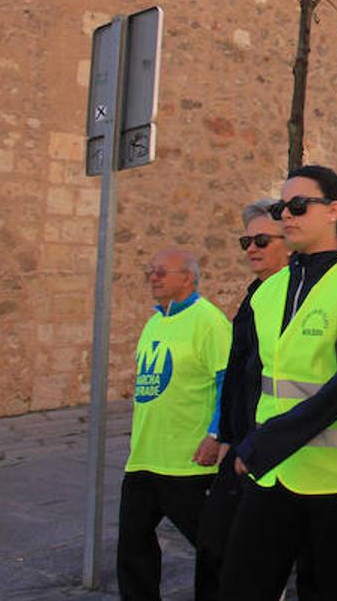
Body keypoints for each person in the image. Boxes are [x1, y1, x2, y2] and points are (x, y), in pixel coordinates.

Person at [221, 165, 337, 599]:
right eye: (283, 207)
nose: (287, 216)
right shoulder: (267, 290)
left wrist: (267, 442)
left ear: (333, 210)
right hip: (273, 476)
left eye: (299, 205)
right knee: (240, 586)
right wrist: (235, 438)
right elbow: (250, 376)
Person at [197, 199, 316, 596]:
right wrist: (224, 433)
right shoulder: (256, 294)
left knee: (246, 556)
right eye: (246, 240)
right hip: (243, 443)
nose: (252, 248)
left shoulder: (294, 299)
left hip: (273, 446)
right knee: (217, 546)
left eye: (262, 240)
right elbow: (237, 375)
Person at [118, 247, 231, 601]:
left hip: (188, 463)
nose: (153, 277)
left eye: (161, 272)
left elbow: (226, 383)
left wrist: (216, 434)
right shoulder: (154, 321)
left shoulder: (208, 321)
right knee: (132, 549)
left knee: (215, 549)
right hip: (144, 459)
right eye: (150, 271)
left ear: (188, 277)